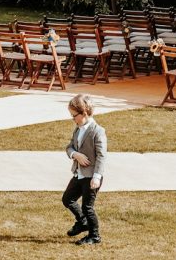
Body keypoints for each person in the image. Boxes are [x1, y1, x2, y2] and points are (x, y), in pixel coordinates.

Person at [62, 94, 107, 245]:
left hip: (91, 176)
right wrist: (76, 155)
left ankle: (94, 236)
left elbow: (101, 156)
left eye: (74, 115)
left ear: (84, 113)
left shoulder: (97, 131)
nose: (72, 118)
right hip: (79, 173)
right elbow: (69, 147)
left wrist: (97, 176)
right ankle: (82, 222)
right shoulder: (78, 129)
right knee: (67, 199)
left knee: (87, 207)